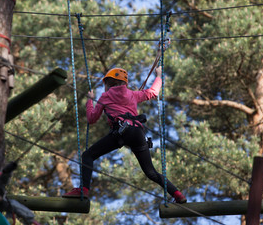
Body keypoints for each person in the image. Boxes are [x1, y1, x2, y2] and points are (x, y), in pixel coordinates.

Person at [63, 66, 187, 203]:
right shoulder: (133, 94)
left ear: (108, 84)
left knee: (88, 155)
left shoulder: (105, 96)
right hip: (138, 133)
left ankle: (84, 190)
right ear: (124, 83)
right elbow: (154, 92)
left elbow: (91, 119)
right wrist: (158, 75)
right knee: (151, 172)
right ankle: (177, 194)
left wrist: (89, 100)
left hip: (122, 132)